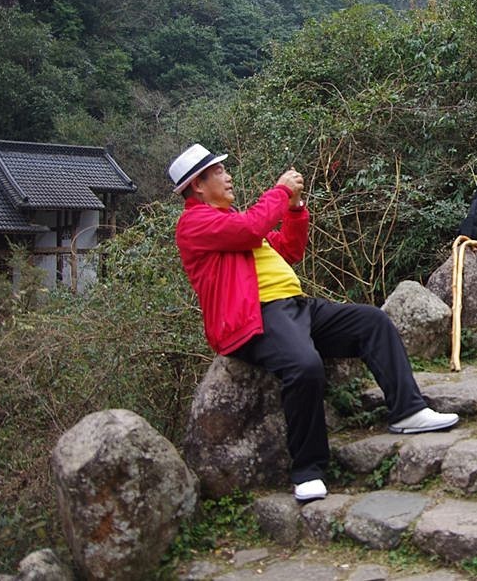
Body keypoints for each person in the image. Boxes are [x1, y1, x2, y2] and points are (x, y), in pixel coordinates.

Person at [168, 143, 458, 503]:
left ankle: (408, 410)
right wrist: (280, 191)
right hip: (257, 316)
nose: (228, 178)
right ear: (198, 185)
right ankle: (308, 468)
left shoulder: (230, 223)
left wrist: (295, 209)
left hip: (297, 308)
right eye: (219, 173)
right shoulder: (195, 223)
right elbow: (252, 227)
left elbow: (288, 250)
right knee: (304, 366)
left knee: (372, 321)